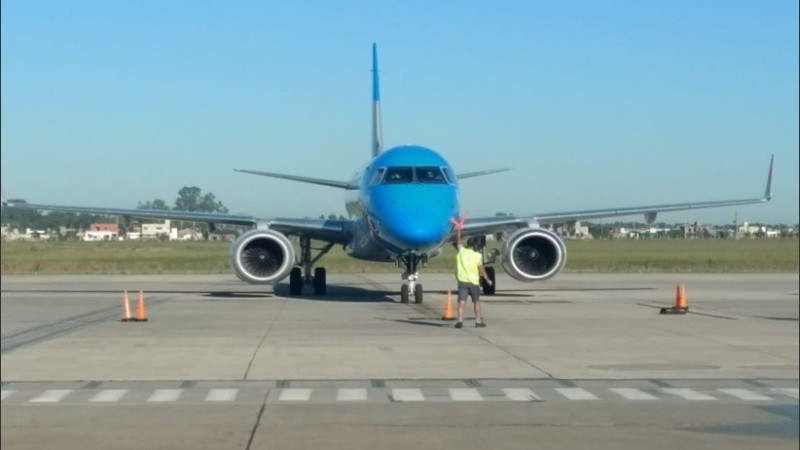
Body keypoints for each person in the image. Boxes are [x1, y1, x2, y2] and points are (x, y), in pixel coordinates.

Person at [453, 223, 491, 328]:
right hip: (474, 282)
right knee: (476, 302)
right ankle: (478, 321)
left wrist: (459, 230)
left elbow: (458, 241)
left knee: (461, 302)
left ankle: (459, 321)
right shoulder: (477, 256)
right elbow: (481, 269)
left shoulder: (461, 252)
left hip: (462, 282)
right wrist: (487, 279)